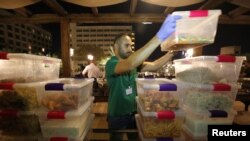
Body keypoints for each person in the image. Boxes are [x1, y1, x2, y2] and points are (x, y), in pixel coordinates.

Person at [105, 15, 182, 141]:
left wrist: (172, 52)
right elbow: (129, 64)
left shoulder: (135, 65)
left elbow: (155, 65)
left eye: (131, 45)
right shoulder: (111, 64)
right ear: (116, 48)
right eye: (126, 46)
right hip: (117, 116)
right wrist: (159, 36)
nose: (130, 49)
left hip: (134, 113)